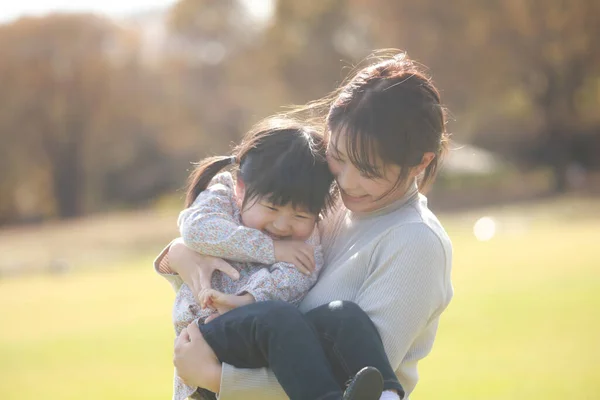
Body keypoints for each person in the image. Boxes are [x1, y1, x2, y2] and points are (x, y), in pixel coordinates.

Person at [162, 51, 453, 400]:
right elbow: (219, 241)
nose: (346, 182)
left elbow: (354, 378)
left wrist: (217, 378)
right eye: (338, 158)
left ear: (421, 162)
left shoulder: (415, 243)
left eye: (369, 171)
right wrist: (181, 255)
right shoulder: (320, 202)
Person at [157, 118, 387, 400]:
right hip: (208, 336)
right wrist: (271, 250)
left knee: (343, 314)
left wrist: (245, 300)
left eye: (300, 215)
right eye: (271, 207)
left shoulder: (308, 238)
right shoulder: (222, 197)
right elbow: (197, 231)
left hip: (266, 338)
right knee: (278, 315)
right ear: (242, 188)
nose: (282, 225)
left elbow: (296, 279)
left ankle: (388, 395)